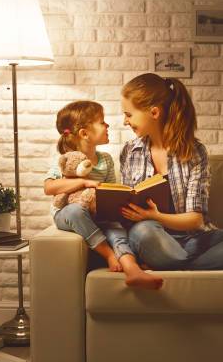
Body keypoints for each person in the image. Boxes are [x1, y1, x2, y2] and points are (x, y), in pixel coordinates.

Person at [118, 73, 223, 276]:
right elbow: (128, 208)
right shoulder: (130, 152)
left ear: (154, 112)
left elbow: (195, 220)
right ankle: (185, 263)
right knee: (144, 231)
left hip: (192, 239)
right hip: (151, 236)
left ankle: (177, 264)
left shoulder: (194, 153)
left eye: (129, 114)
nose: (125, 121)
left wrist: (155, 215)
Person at [43, 100, 163, 290]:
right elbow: (49, 187)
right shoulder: (66, 159)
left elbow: (111, 190)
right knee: (75, 211)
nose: (107, 125)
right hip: (67, 213)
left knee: (116, 229)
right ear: (84, 133)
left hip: (98, 213)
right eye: (102, 122)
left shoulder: (105, 160)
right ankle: (108, 254)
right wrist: (83, 182)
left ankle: (132, 269)